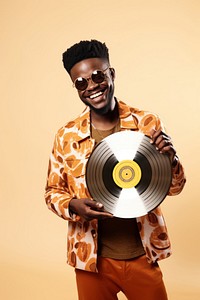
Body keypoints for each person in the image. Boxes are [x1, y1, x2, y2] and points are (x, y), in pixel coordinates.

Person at [45, 39, 186, 300]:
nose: (92, 86)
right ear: (75, 87)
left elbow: (175, 187)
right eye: (81, 82)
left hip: (143, 254)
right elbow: (52, 193)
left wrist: (172, 158)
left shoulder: (147, 123)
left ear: (111, 74)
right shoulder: (66, 136)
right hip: (90, 260)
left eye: (98, 75)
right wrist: (73, 206)